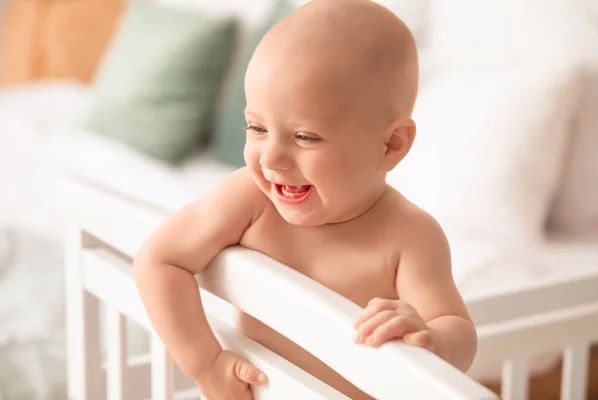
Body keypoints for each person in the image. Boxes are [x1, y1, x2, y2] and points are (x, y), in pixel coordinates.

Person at [133, 0, 477, 398]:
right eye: (257, 128)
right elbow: (160, 259)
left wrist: (430, 338)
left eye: (305, 137)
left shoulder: (410, 236)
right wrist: (206, 364)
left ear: (390, 145)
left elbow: (458, 331)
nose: (272, 159)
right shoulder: (249, 200)